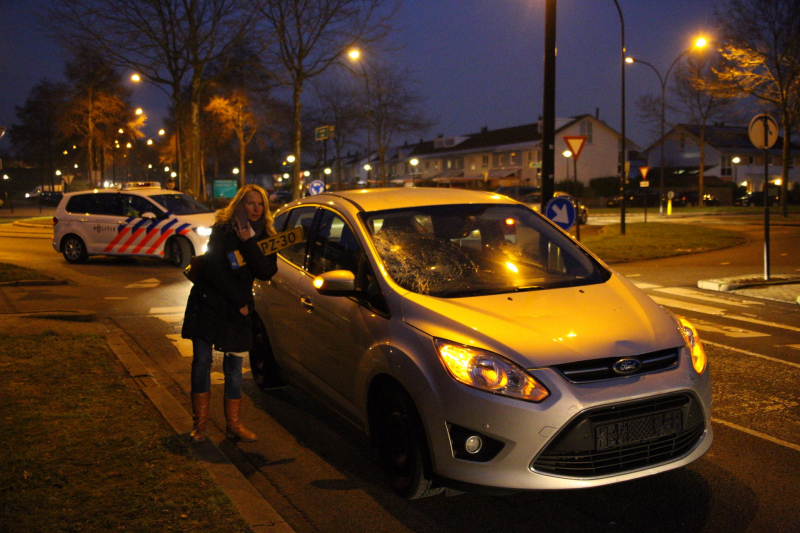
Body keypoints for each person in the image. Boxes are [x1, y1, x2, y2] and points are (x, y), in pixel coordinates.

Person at [181, 184, 278, 443]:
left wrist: (249, 243)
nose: (256, 209)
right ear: (239, 205)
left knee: (234, 368)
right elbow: (213, 267)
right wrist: (238, 301)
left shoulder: (266, 235)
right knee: (201, 363)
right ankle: (200, 426)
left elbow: (266, 271)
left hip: (237, 312)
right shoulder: (223, 229)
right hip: (209, 303)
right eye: (250, 203)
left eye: (260, 204)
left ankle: (234, 425)